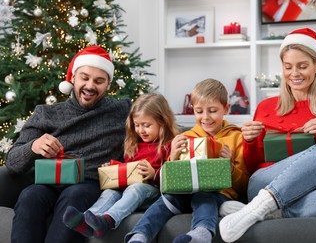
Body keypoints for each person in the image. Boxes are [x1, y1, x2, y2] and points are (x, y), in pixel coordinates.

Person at [218, 28, 316, 242]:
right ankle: (263, 204)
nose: (295, 74)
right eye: (288, 67)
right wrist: (250, 140)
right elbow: (252, 166)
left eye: (302, 66)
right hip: (265, 182)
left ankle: (260, 213)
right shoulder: (267, 107)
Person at [6, 45, 132, 243]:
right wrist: (33, 147)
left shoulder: (123, 110)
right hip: (48, 182)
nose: (90, 86)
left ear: (108, 85)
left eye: (99, 81)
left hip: (89, 183)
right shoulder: (45, 113)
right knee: (30, 195)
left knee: (75, 195)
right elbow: (12, 164)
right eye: (84, 77)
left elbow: (157, 123)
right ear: (72, 78)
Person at [125, 78, 250, 243]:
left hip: (219, 194)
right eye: (199, 111)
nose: (205, 117)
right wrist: (173, 157)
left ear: (226, 108)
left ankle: (201, 233)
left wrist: (230, 167)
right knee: (166, 200)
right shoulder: (186, 137)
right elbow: (168, 183)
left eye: (212, 110)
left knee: (204, 195)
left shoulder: (237, 137)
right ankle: (139, 236)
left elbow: (243, 186)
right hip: (185, 194)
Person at [62, 93, 180, 238]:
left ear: (162, 122)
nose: (141, 130)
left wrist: (154, 174)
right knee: (110, 192)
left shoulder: (169, 145)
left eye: (146, 125)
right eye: (137, 125)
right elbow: (129, 169)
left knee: (136, 188)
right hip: (129, 188)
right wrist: (114, 167)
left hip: (152, 192)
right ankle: (88, 220)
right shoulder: (134, 144)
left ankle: (108, 220)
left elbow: (175, 179)